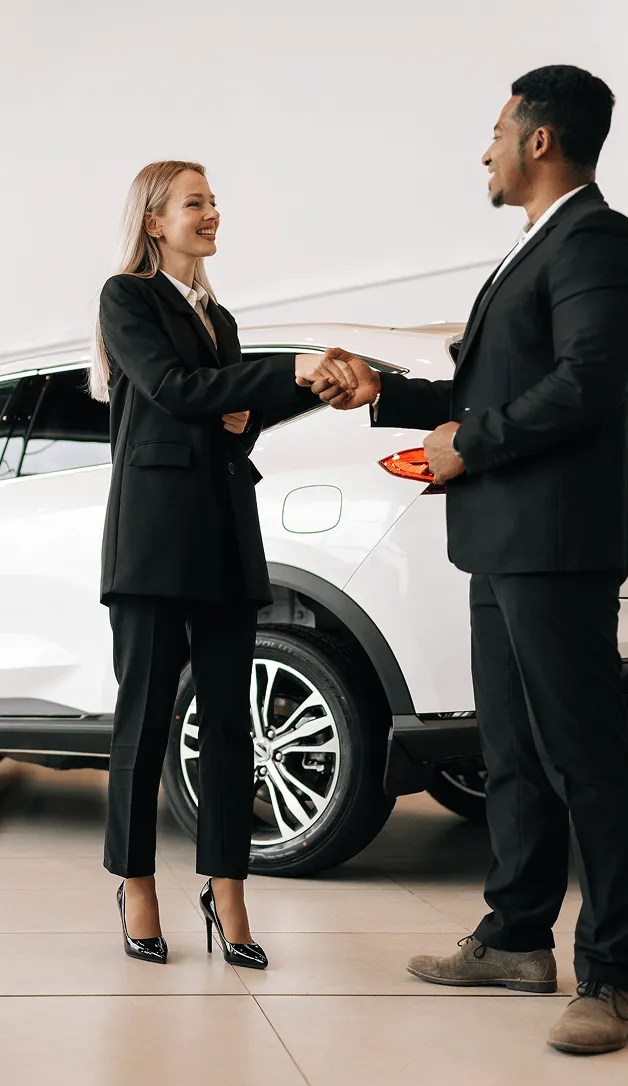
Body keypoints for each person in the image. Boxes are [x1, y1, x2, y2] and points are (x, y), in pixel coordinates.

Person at [302, 66, 628, 1055]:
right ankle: (514, 937)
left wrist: (472, 441)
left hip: (555, 546)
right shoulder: (532, 250)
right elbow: (498, 384)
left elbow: (588, 383)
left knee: (582, 755)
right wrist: (390, 396)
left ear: (541, 140)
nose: (486, 147)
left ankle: (614, 978)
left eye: (498, 128)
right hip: (499, 542)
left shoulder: (598, 237)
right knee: (512, 753)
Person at [92, 160, 354, 967]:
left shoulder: (222, 318)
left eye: (213, 201)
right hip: (154, 540)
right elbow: (175, 390)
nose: (211, 213)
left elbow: (233, 418)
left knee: (230, 725)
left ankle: (226, 889)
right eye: (194, 202)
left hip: (225, 535)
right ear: (154, 221)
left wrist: (317, 387)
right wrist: (248, 385)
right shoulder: (126, 297)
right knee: (142, 722)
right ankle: (137, 883)